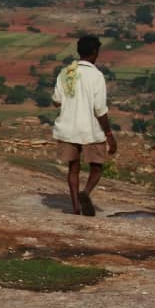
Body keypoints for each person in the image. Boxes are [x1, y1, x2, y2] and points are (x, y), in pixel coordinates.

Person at [51, 35, 117, 216]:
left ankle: (75, 207)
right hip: (90, 130)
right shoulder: (96, 76)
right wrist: (109, 134)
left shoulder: (65, 73)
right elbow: (100, 109)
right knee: (97, 167)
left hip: (68, 128)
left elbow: (56, 101)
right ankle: (85, 192)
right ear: (95, 52)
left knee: (73, 167)